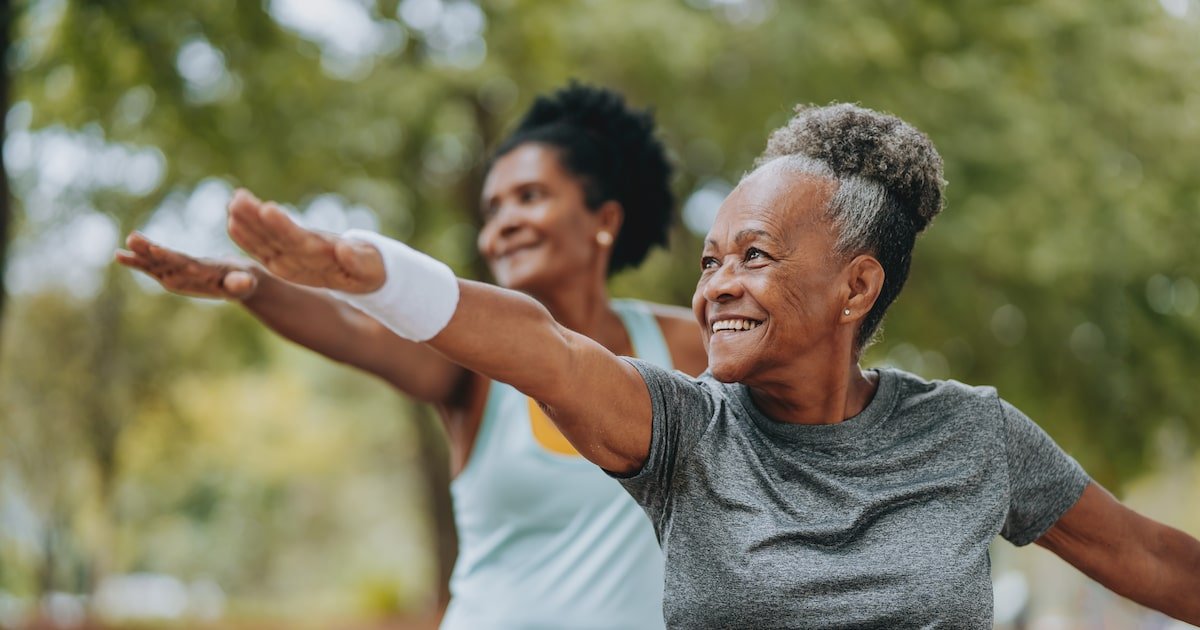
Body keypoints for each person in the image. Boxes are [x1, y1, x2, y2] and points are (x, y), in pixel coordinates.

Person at [213, 101, 1200, 628]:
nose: (718, 285)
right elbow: (541, 346)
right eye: (711, 260)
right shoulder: (679, 431)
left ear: (857, 289)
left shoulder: (972, 435)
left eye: (756, 258)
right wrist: (377, 276)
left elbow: (1152, 560)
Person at [116, 83, 707, 629]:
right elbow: (355, 331)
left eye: (529, 197)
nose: (502, 226)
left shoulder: (683, 347)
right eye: (492, 209)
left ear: (603, 219)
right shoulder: (472, 370)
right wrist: (254, 284)